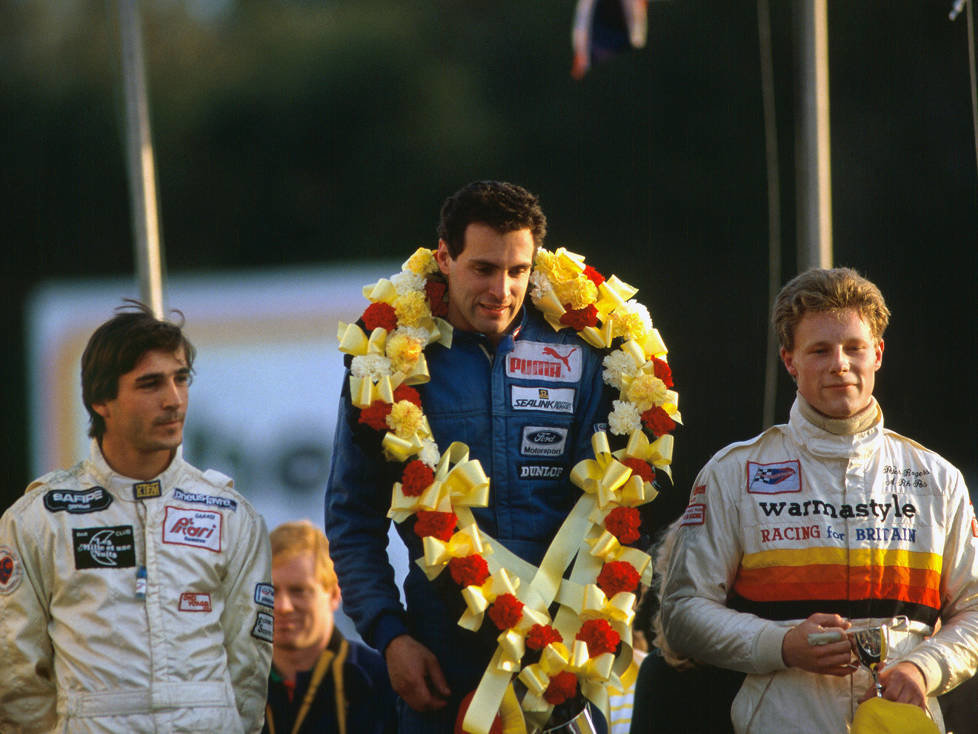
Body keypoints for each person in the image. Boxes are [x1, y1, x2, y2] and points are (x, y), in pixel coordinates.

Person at [325, 181, 617, 733]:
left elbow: (617, 508)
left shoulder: (584, 347)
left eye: (518, 271)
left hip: (562, 659)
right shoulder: (388, 359)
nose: (501, 290)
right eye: (483, 269)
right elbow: (352, 519)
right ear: (444, 257)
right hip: (441, 664)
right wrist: (391, 637)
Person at [660, 268, 978, 733]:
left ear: (878, 353)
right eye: (820, 350)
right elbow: (683, 611)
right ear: (790, 361)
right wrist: (783, 643)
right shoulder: (734, 473)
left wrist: (923, 668)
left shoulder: (936, 478)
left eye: (854, 348)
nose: (840, 364)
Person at [0, 301, 274, 733]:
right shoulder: (40, 519)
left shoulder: (231, 514)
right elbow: (16, 672)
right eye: (150, 384)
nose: (173, 399)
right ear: (101, 400)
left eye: (181, 379)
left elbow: (249, 665)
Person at [263, 520, 396, 734]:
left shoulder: (383, 681)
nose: (283, 606)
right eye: (271, 591)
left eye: (298, 591)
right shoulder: (230, 680)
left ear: (335, 594)